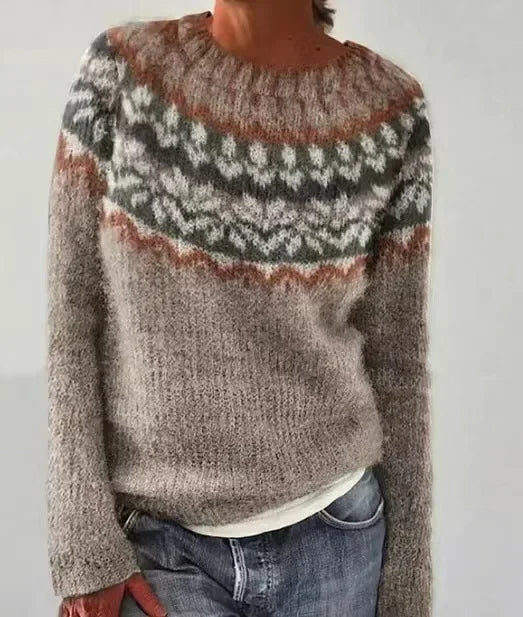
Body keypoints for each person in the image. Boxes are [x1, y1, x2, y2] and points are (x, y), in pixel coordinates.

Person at [45, 1, 434, 616]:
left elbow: (397, 362)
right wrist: (84, 546)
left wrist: (407, 588)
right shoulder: (124, 72)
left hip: (338, 539)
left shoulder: (388, 111)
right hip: (159, 549)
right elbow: (71, 323)